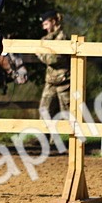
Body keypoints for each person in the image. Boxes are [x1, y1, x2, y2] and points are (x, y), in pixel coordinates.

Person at [36, 9, 70, 151]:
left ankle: (73, 145)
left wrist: (42, 54)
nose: (44, 27)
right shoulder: (46, 39)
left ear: (54, 21)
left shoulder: (63, 37)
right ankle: (45, 144)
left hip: (64, 82)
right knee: (44, 110)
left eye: (46, 23)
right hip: (50, 81)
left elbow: (55, 58)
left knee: (68, 114)